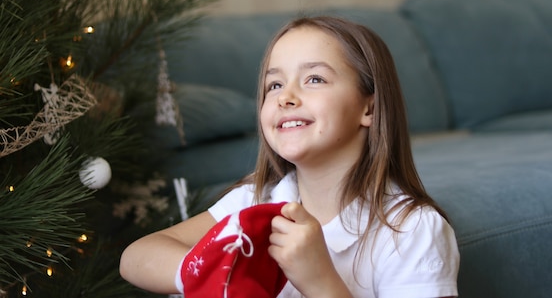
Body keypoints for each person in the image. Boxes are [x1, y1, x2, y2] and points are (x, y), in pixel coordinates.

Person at [119, 15, 460, 297]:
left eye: (314, 79)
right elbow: (136, 257)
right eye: (275, 85)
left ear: (369, 107)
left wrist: (319, 279)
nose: (286, 97)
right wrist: (213, 276)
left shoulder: (411, 231)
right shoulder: (253, 202)